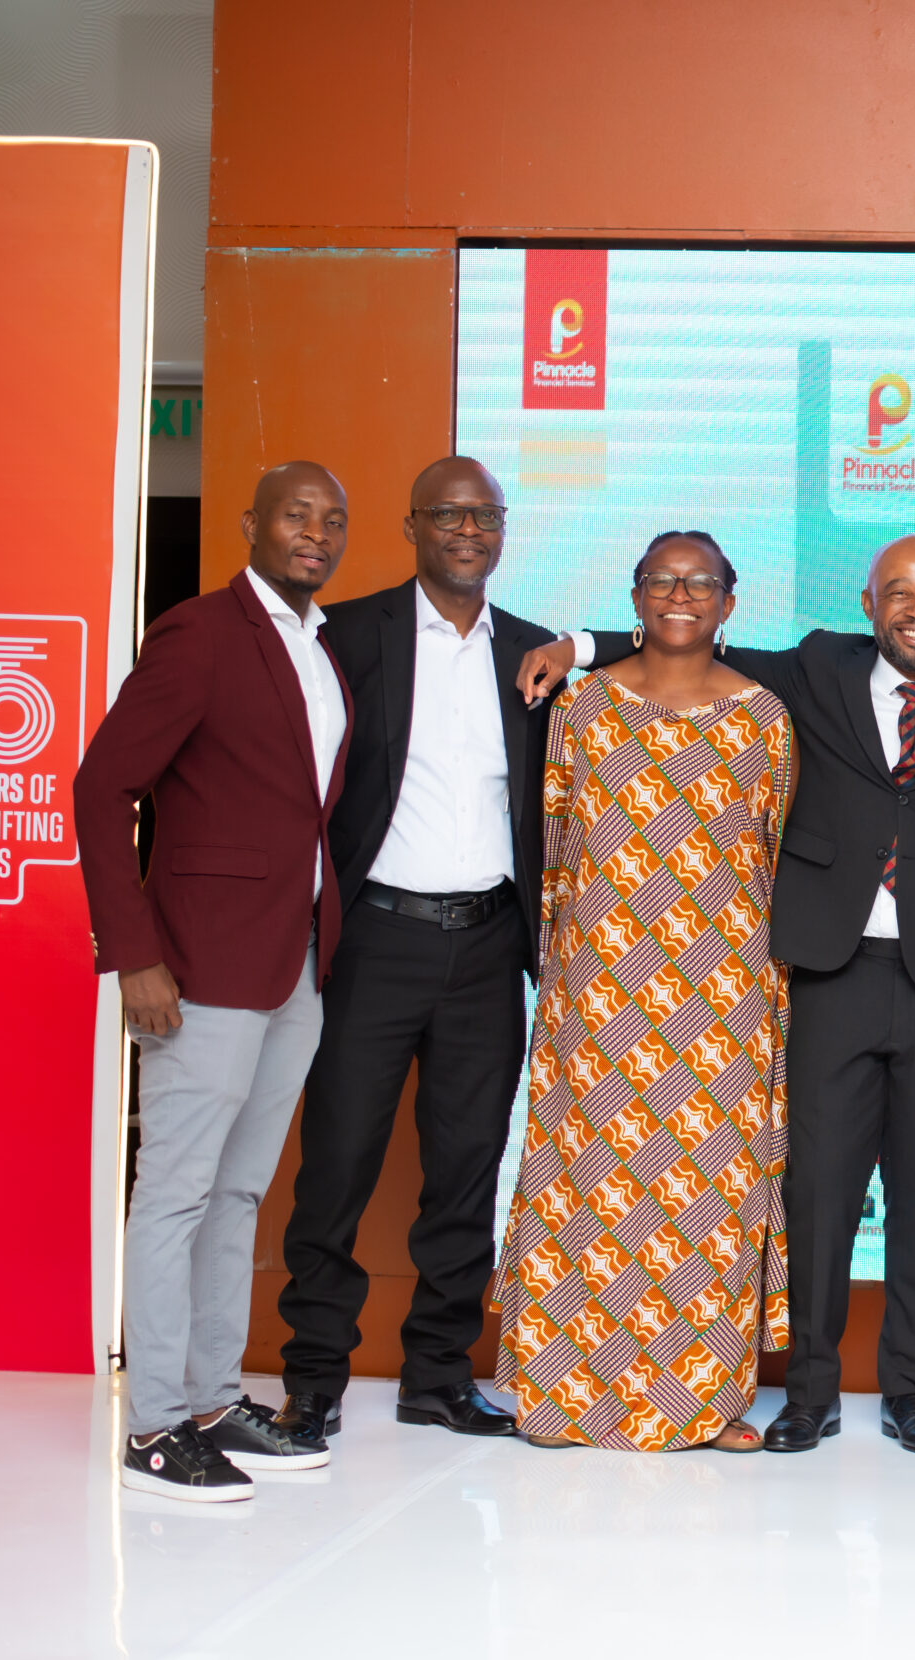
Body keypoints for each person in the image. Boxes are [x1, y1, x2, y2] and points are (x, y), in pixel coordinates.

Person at [516, 533, 915, 1456]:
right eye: (899, 592)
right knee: (817, 1196)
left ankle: (910, 1392)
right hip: (830, 973)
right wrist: (578, 645)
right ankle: (810, 1394)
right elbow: (689, 634)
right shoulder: (818, 672)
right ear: (868, 604)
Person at [272, 457, 578, 1450]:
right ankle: (312, 1379)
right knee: (336, 1167)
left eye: (485, 514)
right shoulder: (348, 635)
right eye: (448, 513)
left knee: (466, 1170)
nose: (467, 529)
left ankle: (439, 1375)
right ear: (411, 526)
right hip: (375, 940)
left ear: (503, 529)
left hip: (488, 946)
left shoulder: (534, 654)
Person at [76, 461, 354, 1501]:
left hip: (295, 961)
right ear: (252, 523)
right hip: (199, 960)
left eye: (332, 520)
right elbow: (102, 787)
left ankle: (208, 1400)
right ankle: (153, 1427)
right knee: (177, 1194)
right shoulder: (199, 633)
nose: (315, 533)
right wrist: (134, 951)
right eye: (296, 514)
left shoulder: (319, 648)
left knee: (237, 1193)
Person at [493, 532, 793, 1451]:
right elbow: (556, 844)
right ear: (633, 596)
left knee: (708, 1198)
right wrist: (563, 972)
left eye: (700, 583)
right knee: (586, 1184)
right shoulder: (584, 708)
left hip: (721, 999)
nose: (680, 594)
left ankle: (705, 1400)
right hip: (598, 987)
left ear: (730, 603)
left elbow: (772, 854)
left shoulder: (764, 717)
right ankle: (561, 1394)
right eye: (662, 579)